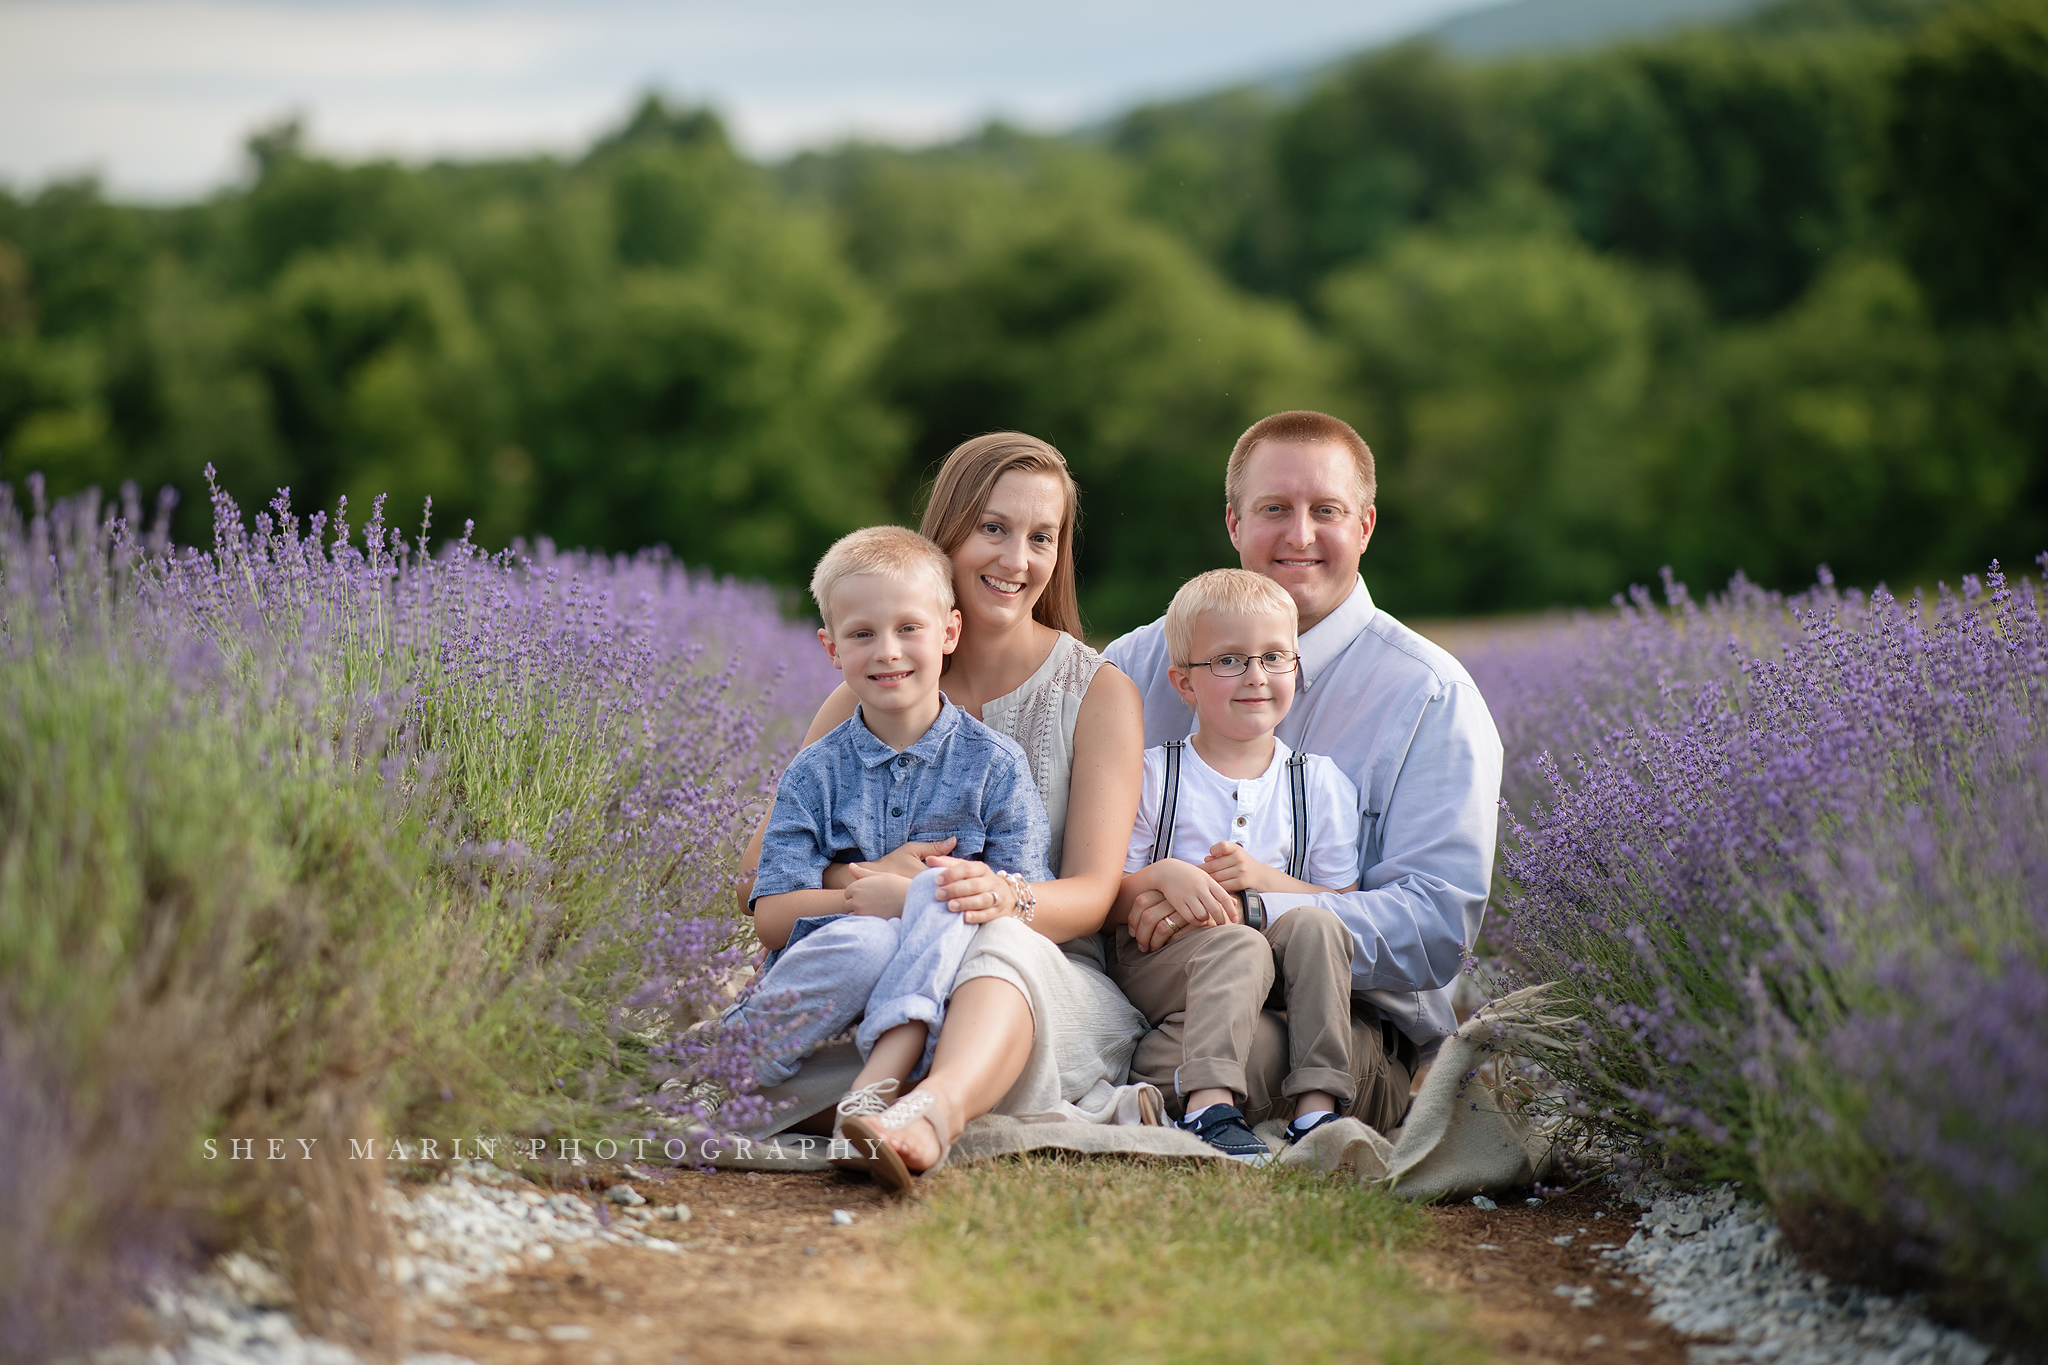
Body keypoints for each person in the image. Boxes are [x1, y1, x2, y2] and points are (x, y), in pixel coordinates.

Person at [739, 433, 1148, 1184]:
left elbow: (1093, 894)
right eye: (993, 527)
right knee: (855, 972)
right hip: (890, 967)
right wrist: (877, 882)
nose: (1015, 560)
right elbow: (756, 884)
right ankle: (868, 1092)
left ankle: (930, 1112)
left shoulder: (1099, 693)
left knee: (997, 945)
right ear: (950, 527)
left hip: (1038, 972)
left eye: (1041, 537)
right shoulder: (872, 682)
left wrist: (998, 896)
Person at [1104, 410, 1505, 1134]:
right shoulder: (1135, 667)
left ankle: (1161, 1088)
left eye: (1326, 510)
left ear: (1366, 525)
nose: (1299, 535)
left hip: (1339, 1020)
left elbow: (1437, 923)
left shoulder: (1431, 697)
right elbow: (1078, 848)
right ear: (1233, 521)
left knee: (1255, 1051)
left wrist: (1258, 914)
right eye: (1273, 510)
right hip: (1156, 991)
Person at [732, 526, 1052, 1127]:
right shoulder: (817, 770)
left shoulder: (995, 767)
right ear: (831, 648)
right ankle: (730, 1063)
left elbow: (1022, 911)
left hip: (947, 989)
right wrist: (864, 900)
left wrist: (916, 900)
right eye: (862, 634)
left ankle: (881, 1084)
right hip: (825, 983)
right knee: (867, 940)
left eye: (909, 628)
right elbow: (771, 914)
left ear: (949, 632)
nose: (888, 652)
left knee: (951, 914)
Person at [1109, 569, 1364, 1163]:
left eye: (1275, 657)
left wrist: (1265, 882)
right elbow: (1112, 892)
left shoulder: (1317, 783)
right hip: (1162, 963)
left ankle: (1318, 1107)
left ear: (1296, 670)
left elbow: (1344, 902)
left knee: (1320, 926)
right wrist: (1163, 877)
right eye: (1228, 661)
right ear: (1184, 683)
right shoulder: (1154, 775)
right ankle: (1207, 1106)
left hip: (1273, 969)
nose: (1256, 676)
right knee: (1238, 946)